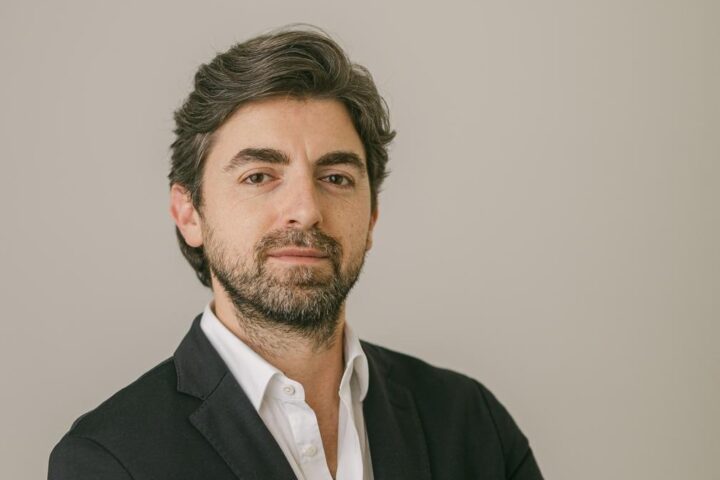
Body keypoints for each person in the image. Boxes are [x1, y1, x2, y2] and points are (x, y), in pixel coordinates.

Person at [48, 25, 544, 480]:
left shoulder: (472, 423)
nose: (305, 211)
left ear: (371, 217)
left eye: (336, 178)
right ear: (189, 213)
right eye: (259, 176)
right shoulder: (109, 460)